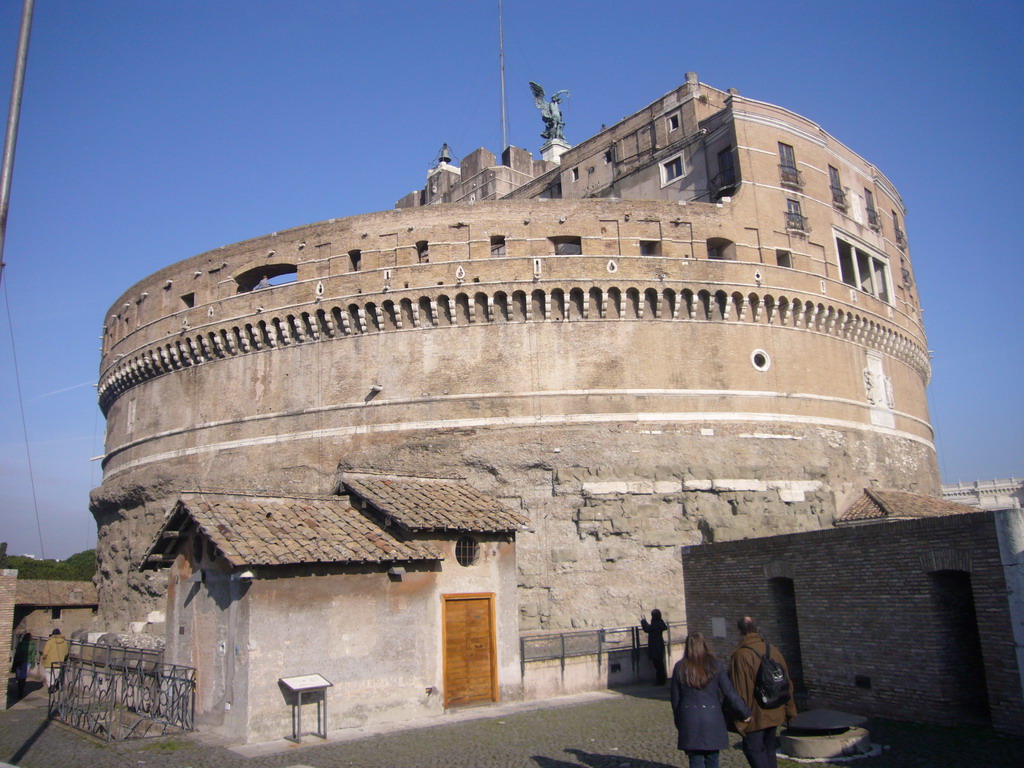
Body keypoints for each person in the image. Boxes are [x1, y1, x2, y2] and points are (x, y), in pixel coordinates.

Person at [671, 632, 751, 768]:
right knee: (712, 759)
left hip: (689, 718)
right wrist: (744, 713)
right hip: (712, 718)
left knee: (695, 760)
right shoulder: (715, 665)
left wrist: (680, 721)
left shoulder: (680, 667)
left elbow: (675, 700)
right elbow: (729, 692)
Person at [729, 617, 797, 768]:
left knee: (754, 750)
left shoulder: (741, 656)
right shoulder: (772, 649)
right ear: (757, 629)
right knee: (768, 749)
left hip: (755, 715)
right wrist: (790, 709)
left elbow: (740, 689)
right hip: (775, 709)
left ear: (739, 631)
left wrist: (742, 718)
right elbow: (787, 682)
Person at [640, 608, 669, 685]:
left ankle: (660, 681)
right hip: (659, 645)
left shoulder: (656, 624)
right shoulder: (659, 623)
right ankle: (661, 680)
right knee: (660, 664)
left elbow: (647, 629)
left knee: (658, 665)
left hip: (655, 646)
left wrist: (643, 621)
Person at [11, 633, 33, 698]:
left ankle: (20, 690)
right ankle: (22, 690)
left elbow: (17, 654)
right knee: (23, 677)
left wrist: (14, 664)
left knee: (19, 677)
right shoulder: (32, 645)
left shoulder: (20, 644)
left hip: (19, 662)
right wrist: (33, 663)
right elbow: (33, 655)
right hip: (28, 662)